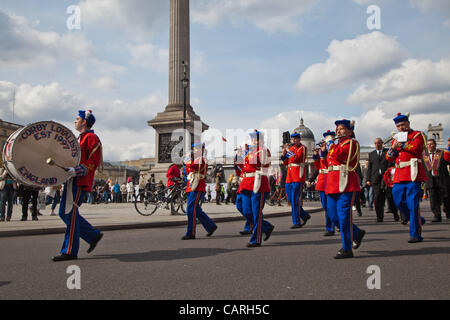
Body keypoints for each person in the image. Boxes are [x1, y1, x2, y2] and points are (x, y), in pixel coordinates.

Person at [52, 109, 104, 262]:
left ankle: (69, 251)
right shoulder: (79, 138)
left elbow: (93, 162)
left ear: (84, 122)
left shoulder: (91, 138)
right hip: (71, 180)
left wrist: (76, 169)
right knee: (64, 213)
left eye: (77, 119)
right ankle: (93, 235)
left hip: (79, 181)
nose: (75, 121)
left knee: (70, 215)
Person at [325, 119, 366, 259]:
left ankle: (347, 248)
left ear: (350, 131)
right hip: (332, 183)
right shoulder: (336, 145)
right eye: (337, 129)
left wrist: (330, 144)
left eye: (341, 129)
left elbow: (339, 156)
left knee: (343, 216)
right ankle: (356, 233)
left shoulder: (351, 143)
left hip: (346, 181)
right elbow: (328, 162)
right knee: (332, 215)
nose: (338, 131)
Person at [386, 113, 427, 243]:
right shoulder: (395, 139)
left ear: (408, 124)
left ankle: (415, 234)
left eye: (403, 124)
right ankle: (418, 220)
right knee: (398, 201)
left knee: (413, 205)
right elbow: (389, 157)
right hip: (399, 174)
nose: (401, 128)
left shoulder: (417, 135)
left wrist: (402, 145)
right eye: (398, 126)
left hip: (413, 173)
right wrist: (393, 148)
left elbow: (416, 149)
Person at [237, 130, 274, 248]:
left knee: (256, 212)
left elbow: (265, 165)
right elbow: (243, 167)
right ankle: (266, 226)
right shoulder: (250, 152)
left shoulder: (264, 151)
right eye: (252, 138)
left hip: (258, 183)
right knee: (245, 210)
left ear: (261, 140)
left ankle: (256, 239)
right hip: (246, 183)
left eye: (256, 139)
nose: (253, 141)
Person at [182, 142, 217, 240]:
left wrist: (187, 160)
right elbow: (188, 170)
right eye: (194, 148)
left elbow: (193, 166)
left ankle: (191, 232)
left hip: (197, 186)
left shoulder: (202, 159)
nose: (195, 150)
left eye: (197, 148)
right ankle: (210, 226)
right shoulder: (195, 159)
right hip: (191, 184)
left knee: (190, 209)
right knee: (196, 209)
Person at [281, 131, 311, 229]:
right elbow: (286, 162)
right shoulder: (292, 148)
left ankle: (296, 221)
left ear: (299, 139)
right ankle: (304, 215)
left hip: (298, 175)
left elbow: (296, 159)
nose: (293, 140)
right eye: (292, 139)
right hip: (289, 176)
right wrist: (284, 153)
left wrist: (288, 150)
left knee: (294, 199)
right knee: (290, 199)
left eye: (295, 139)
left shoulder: (303, 148)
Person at [310, 131, 337, 236]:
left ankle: (330, 227)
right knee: (325, 206)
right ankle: (333, 225)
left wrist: (324, 153)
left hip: (331, 178)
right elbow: (318, 167)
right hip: (322, 180)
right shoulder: (324, 152)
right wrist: (316, 156)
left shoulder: (333, 149)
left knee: (331, 206)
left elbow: (329, 163)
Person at [367, 138, 398, 222]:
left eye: (379, 143)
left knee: (390, 198)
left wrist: (391, 175)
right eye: (376, 143)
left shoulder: (387, 152)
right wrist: (368, 179)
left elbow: (391, 163)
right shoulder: (371, 154)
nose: (377, 145)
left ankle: (395, 214)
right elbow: (369, 168)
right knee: (377, 199)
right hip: (376, 179)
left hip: (387, 179)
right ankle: (379, 217)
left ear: (382, 143)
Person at [423, 139, 450, 222]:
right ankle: (437, 215)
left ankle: (448, 213)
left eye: (431, 144)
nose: (429, 146)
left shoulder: (442, 153)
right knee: (433, 199)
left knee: (446, 198)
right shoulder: (424, 156)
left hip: (442, 179)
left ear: (435, 145)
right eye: (428, 144)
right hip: (431, 180)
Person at [234, 145, 253, 235]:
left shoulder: (252, 156)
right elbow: (239, 170)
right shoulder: (243, 158)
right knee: (239, 205)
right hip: (243, 183)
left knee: (248, 208)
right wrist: (238, 157)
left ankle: (250, 226)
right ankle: (256, 222)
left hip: (250, 183)